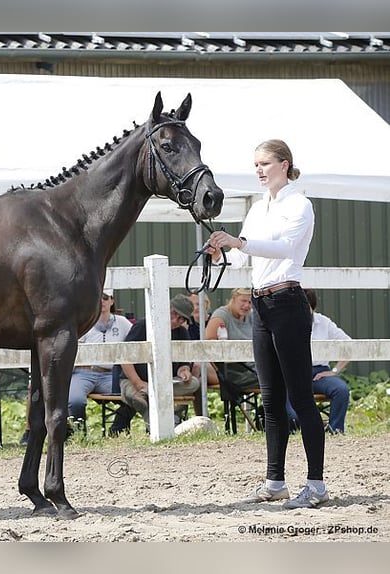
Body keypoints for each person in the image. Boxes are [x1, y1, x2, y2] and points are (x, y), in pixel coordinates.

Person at [206, 139, 328, 509]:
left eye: (264, 164)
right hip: (262, 303)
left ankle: (317, 485)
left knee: (300, 397)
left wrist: (239, 242)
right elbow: (249, 263)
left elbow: (286, 249)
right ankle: (275, 480)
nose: (259, 170)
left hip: (288, 302)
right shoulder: (258, 209)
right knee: (271, 398)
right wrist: (223, 250)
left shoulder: (299, 204)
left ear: (284, 164)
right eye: (255, 165)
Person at [109, 294, 200, 434]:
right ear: (166, 309)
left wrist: (184, 371)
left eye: (181, 318)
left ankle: (153, 410)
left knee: (193, 383)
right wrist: (138, 382)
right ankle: (161, 427)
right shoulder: (143, 325)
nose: (175, 320)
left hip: (166, 383)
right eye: (173, 313)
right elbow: (125, 358)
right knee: (136, 395)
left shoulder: (182, 332)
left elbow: (184, 362)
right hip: (133, 380)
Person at [66, 288, 134, 430]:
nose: (101, 302)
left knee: (133, 397)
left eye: (105, 298)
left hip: (111, 375)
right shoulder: (84, 321)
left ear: (112, 301)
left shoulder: (123, 323)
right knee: (75, 400)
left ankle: (117, 428)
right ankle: (78, 433)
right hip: (84, 372)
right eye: (98, 297)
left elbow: (135, 341)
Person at [286, 288, 351, 434]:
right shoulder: (287, 322)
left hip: (318, 373)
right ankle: (299, 432)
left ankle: (335, 430)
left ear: (313, 307)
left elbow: (349, 345)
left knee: (341, 390)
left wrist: (334, 371)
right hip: (292, 373)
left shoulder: (324, 322)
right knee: (291, 413)